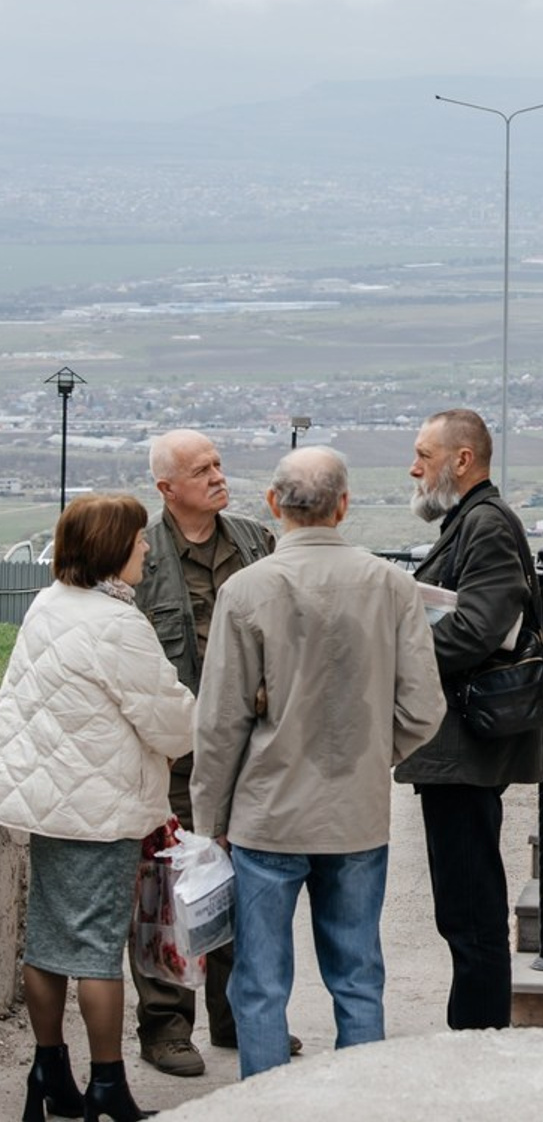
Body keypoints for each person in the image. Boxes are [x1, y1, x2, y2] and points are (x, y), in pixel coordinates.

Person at [191, 447, 445, 1079]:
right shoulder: (391, 584)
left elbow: (220, 722)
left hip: (266, 813)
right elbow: (423, 708)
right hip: (355, 814)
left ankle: (267, 1105)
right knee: (358, 977)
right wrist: (372, 753)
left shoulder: (245, 590)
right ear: (345, 505)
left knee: (259, 983)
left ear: (274, 506)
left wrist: (209, 818)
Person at [0, 494, 195, 1122]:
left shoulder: (47, 604)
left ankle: (48, 1073)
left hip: (50, 805)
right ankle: (107, 1084)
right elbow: (170, 720)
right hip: (101, 808)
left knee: (49, 943)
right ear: (114, 548)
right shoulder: (116, 623)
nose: (146, 549)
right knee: (94, 951)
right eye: (138, 540)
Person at [395, 409, 543, 1029]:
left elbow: (480, 628)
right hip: (457, 747)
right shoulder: (470, 521)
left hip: (465, 747)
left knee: (470, 910)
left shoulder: (484, 524)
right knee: (464, 904)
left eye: (423, 455)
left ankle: (477, 1040)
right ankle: (476, 1033)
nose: (414, 468)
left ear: (461, 460)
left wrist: (398, 648)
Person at [129, 429, 277, 1077]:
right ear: (167, 488)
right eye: (202, 469)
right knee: (168, 892)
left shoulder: (254, 542)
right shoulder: (141, 558)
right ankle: (165, 1026)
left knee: (243, 887)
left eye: (219, 464)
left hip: (248, 751)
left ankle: (236, 1017)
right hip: (173, 759)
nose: (219, 476)